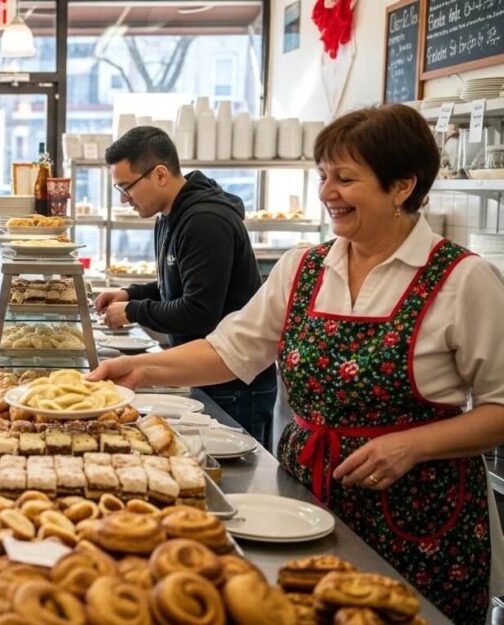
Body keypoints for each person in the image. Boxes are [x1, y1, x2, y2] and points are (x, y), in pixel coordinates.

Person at [87, 105, 504, 624]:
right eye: (323, 176)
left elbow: (499, 408)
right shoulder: (305, 267)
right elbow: (229, 349)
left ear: (402, 186)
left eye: (345, 178)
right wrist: (142, 372)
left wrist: (411, 445)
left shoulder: (463, 280)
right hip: (305, 507)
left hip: (420, 523)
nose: (327, 192)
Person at [93, 126, 277, 447]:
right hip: (202, 372)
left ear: (160, 174)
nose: (124, 199)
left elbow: (198, 312)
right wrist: (131, 293)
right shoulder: (170, 214)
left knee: (232, 481)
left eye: (127, 187)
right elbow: (177, 281)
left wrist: (134, 311)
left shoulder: (205, 220)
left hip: (234, 385)